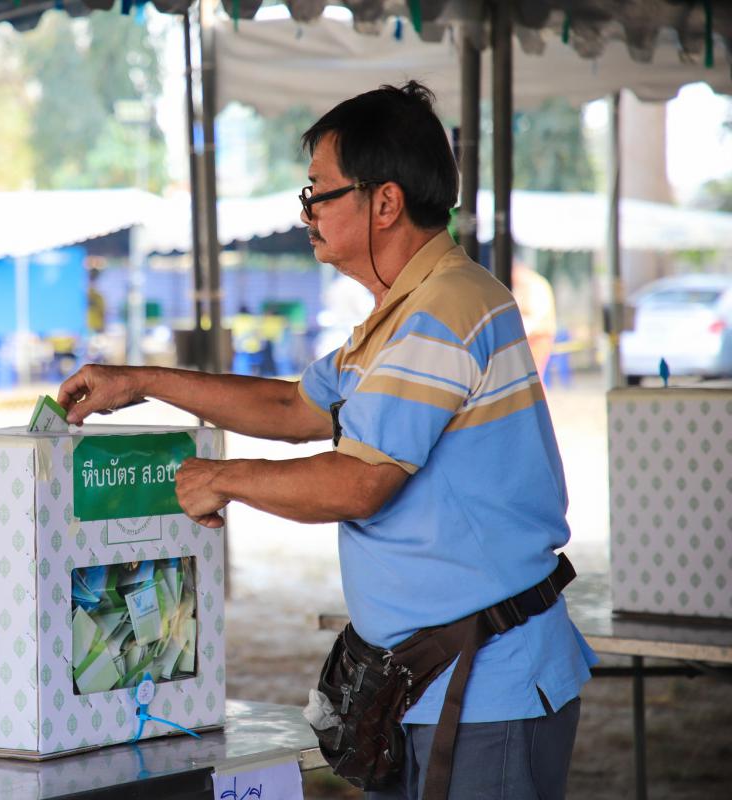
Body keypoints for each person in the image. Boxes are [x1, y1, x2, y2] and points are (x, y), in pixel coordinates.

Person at [57, 82, 594, 800]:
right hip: (428, 683)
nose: (307, 213)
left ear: (385, 202)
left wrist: (222, 479)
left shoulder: (442, 313)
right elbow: (291, 405)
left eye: (319, 193)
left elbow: (359, 483)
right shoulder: (402, 314)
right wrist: (140, 382)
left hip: (486, 687)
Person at [511, 260, 558, 379]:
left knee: (533, 374)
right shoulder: (526, 284)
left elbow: (534, 316)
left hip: (538, 336)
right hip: (532, 335)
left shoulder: (532, 285)